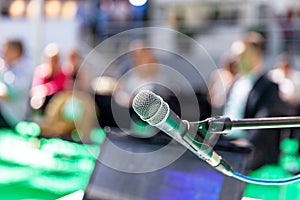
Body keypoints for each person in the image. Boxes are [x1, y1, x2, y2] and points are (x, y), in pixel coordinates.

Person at [223, 32, 287, 170]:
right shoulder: (236, 82)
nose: (236, 59)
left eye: (241, 55)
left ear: (255, 54)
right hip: (227, 143)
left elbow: (265, 120)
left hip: (251, 150)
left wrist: (245, 143)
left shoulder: (269, 86)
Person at [0, 39, 33, 128]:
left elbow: (9, 94)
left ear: (15, 52)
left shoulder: (26, 69)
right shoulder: (4, 67)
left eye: (5, 49)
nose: (3, 52)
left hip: (12, 118)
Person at [30, 43, 67, 112]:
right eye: (51, 59)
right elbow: (35, 87)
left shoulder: (62, 73)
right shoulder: (40, 71)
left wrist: (45, 89)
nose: (52, 62)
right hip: (42, 101)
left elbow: (57, 86)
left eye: (55, 60)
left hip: (57, 104)